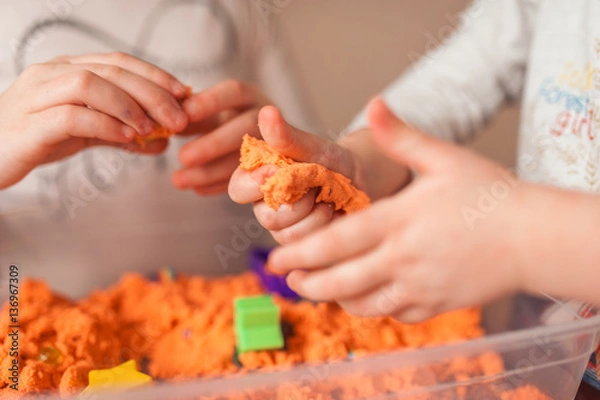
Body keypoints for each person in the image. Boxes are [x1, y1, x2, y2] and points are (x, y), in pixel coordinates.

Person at [228, 0, 600, 331]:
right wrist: (365, 161)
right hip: (549, 341)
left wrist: (520, 239)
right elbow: (462, 74)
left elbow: (518, 237)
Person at [0, 0, 319, 296]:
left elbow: (322, 177)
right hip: (25, 328)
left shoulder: (242, 8)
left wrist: (278, 146)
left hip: (232, 316)